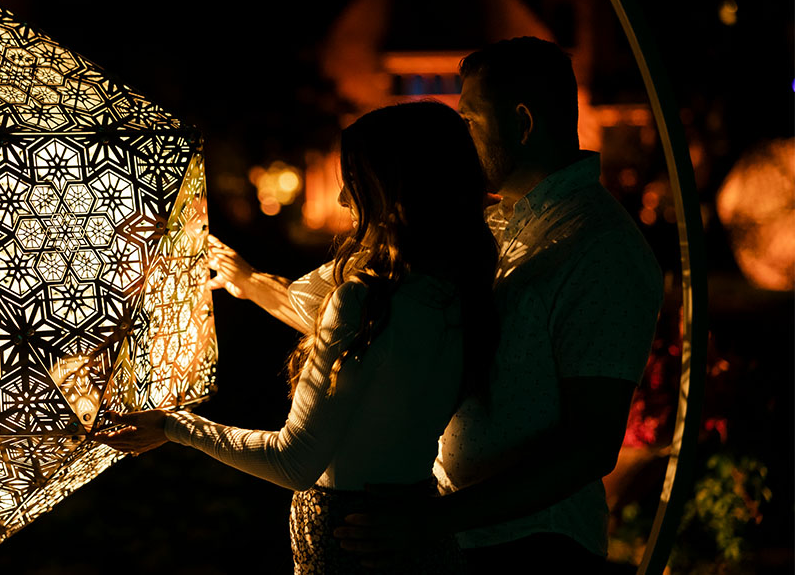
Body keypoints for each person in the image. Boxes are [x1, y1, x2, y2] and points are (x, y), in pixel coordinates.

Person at [94, 100, 499, 574]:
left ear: (390, 188)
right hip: (419, 533)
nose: (346, 198)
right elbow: (352, 335)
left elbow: (294, 463)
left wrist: (175, 427)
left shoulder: (367, 302)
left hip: (350, 542)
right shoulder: (460, 289)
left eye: (354, 179)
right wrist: (250, 282)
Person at [326, 37, 665, 573]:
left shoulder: (598, 248)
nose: (459, 141)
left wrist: (430, 520)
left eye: (470, 122)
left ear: (523, 124)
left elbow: (591, 443)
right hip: (467, 537)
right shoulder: (497, 224)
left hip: (535, 550)